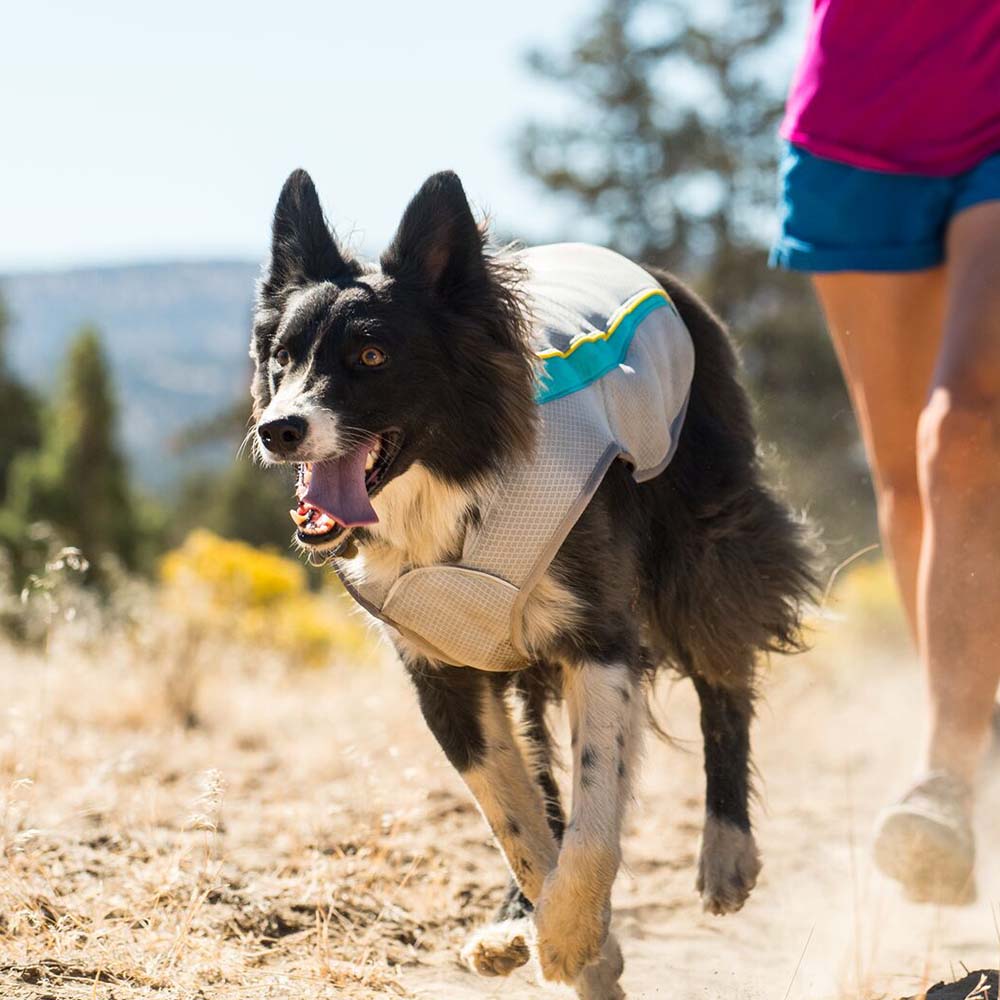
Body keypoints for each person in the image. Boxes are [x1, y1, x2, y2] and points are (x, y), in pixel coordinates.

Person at [771, 0, 1000, 904]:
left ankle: (944, 774)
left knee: (966, 431)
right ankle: (977, 730)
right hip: (857, 132)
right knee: (907, 481)